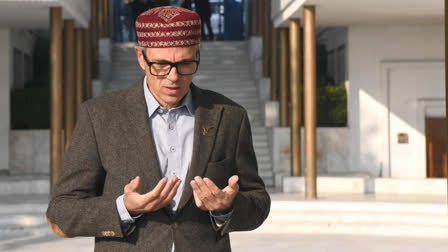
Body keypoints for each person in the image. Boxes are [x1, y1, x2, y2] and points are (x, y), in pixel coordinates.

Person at [46, 6, 270, 252]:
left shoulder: (230, 116)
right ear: (140, 57)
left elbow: (258, 202)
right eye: (161, 65)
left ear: (198, 53)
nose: (173, 77)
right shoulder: (99, 115)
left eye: (185, 63)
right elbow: (62, 210)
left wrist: (226, 207)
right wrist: (125, 208)